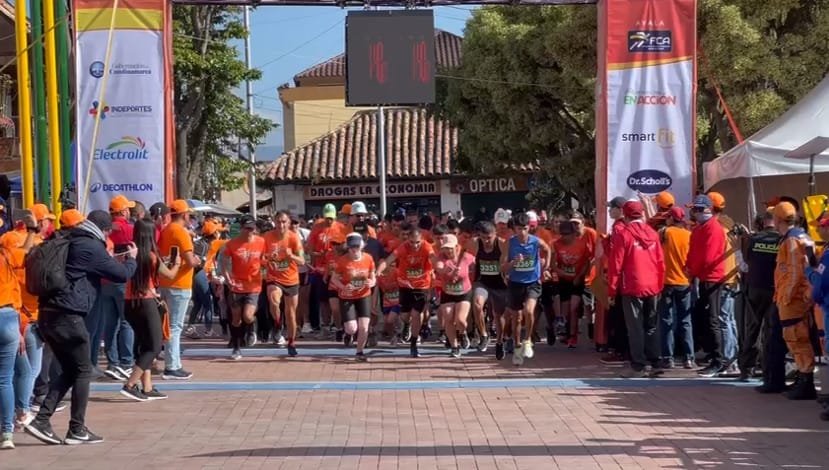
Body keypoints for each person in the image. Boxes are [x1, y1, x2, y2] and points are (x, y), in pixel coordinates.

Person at [25, 211, 137, 445]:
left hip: (48, 313)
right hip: (68, 316)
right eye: (108, 232)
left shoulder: (68, 239)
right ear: (103, 230)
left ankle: (42, 421)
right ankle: (76, 429)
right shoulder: (90, 246)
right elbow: (119, 275)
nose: (109, 236)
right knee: (83, 369)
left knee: (70, 370)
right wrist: (132, 259)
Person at [120, 220, 181, 402]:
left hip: (130, 303)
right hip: (146, 303)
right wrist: (176, 263)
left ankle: (147, 386)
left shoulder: (131, 253)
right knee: (154, 346)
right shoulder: (152, 256)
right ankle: (130, 384)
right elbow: (169, 275)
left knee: (144, 344)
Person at [607, 201, 665, 378]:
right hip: (653, 285)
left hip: (632, 285)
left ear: (625, 215)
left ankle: (639, 365)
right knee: (651, 325)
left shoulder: (623, 235)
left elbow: (616, 264)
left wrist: (611, 290)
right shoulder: (653, 234)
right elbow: (660, 262)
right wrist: (659, 284)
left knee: (635, 327)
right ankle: (656, 361)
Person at [772, 202, 817, 400]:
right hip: (802, 295)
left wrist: (787, 296)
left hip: (793, 299)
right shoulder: (802, 236)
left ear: (778, 219)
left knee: (796, 337)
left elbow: (794, 272)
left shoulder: (790, 241)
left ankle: (805, 379)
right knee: (800, 337)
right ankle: (803, 375)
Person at [0, 213, 37, 449]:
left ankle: (21, 412)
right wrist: (32, 229)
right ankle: (8, 431)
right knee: (6, 378)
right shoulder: (7, 255)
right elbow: (27, 253)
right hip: (7, 317)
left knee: (22, 369)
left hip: (10, 319)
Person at [375, 223, 437, 358]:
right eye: (412, 242)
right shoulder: (403, 248)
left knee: (417, 313)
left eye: (417, 242)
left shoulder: (426, 247)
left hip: (422, 285)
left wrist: (439, 266)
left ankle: (414, 342)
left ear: (422, 239)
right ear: (407, 239)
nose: (415, 245)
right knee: (405, 316)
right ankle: (407, 324)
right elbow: (389, 259)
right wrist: (379, 271)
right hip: (405, 285)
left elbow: (434, 258)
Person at [686, 195, 730, 377]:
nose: (694, 213)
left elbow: (708, 257)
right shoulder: (701, 229)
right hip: (703, 277)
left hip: (712, 277)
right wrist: (689, 268)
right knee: (706, 318)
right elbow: (694, 252)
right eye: (694, 210)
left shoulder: (713, 229)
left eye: (697, 210)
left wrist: (692, 270)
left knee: (713, 319)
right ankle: (713, 356)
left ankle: (718, 360)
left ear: (707, 210)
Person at [157, 200, 201, 380]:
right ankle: (172, 365)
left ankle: (171, 362)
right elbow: (190, 260)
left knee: (168, 325)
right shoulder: (181, 232)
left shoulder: (166, 230)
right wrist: (197, 260)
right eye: (189, 215)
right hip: (180, 283)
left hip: (166, 281)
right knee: (175, 326)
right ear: (184, 215)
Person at [740, 210, 784, 386]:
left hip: (755, 289)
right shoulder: (782, 240)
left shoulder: (754, 239)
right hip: (774, 289)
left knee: (752, 328)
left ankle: (747, 368)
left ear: (762, 222)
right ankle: (768, 370)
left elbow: (746, 263)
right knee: (772, 331)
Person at [501, 212, 551, 365]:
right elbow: (502, 268)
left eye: (524, 228)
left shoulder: (536, 241)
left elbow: (548, 249)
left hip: (532, 282)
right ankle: (517, 347)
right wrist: (513, 263)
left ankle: (528, 340)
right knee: (516, 318)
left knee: (529, 311)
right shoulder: (509, 244)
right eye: (518, 229)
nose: (522, 232)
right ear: (514, 229)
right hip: (515, 283)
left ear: (529, 228)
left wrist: (546, 267)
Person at [221, 215, 265, 360]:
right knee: (236, 319)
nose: (250, 232)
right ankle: (236, 347)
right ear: (241, 228)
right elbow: (225, 263)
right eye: (247, 229)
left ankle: (252, 328)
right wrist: (227, 278)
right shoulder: (232, 244)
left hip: (253, 285)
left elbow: (265, 259)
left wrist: (267, 266)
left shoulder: (261, 242)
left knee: (247, 316)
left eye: (252, 229)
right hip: (236, 285)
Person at [262, 211, 305, 357]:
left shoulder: (293, 238)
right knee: (274, 300)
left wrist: (291, 255)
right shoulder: (267, 237)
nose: (281, 225)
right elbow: (260, 258)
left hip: (292, 280)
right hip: (274, 277)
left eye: (284, 222)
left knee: (291, 314)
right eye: (278, 221)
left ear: (288, 223)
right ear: (274, 221)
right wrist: (268, 258)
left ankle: (291, 342)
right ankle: (278, 323)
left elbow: (302, 261)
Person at [658, 207, 694, 369]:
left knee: (666, 320)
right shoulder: (689, 235)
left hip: (667, 282)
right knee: (685, 320)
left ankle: (668, 357)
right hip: (684, 282)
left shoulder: (665, 232)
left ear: (671, 219)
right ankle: (688, 358)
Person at [330, 233, 376, 361]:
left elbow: (373, 275)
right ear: (347, 247)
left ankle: (359, 352)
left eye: (356, 246)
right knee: (351, 328)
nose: (354, 250)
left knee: (364, 326)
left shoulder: (368, 258)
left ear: (361, 246)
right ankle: (348, 334)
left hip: (364, 295)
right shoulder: (342, 261)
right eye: (351, 247)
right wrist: (343, 287)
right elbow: (334, 279)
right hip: (347, 296)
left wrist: (372, 282)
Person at [435, 234, 476, 358]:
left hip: (464, 292)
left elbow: (476, 263)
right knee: (448, 318)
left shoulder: (466, 257)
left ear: (457, 247)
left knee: (460, 320)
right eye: (445, 248)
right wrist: (449, 271)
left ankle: (462, 333)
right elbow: (439, 268)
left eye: (450, 248)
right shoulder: (441, 257)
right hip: (447, 293)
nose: (448, 251)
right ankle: (454, 346)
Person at [471, 221, 508, 355]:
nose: (486, 241)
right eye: (483, 237)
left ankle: (500, 341)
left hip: (500, 284)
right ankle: (484, 335)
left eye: (489, 237)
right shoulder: (475, 243)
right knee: (477, 304)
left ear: (495, 234)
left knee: (499, 315)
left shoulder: (502, 243)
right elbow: (461, 251)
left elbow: (508, 261)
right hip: (483, 282)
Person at [552, 221, 591, 348]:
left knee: (574, 307)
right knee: (566, 309)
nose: (564, 237)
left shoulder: (582, 244)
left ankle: (573, 335)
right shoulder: (556, 245)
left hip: (577, 280)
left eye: (567, 234)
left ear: (574, 234)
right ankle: (566, 331)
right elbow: (553, 264)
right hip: (564, 280)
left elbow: (586, 262)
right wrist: (561, 273)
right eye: (562, 234)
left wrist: (579, 276)